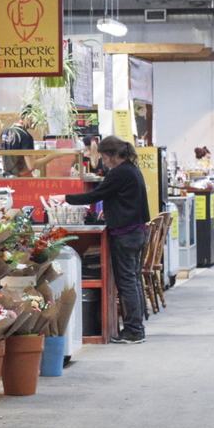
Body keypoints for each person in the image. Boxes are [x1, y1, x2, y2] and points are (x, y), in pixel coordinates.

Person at [63, 136, 150, 344]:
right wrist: (109, 212)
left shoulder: (119, 172)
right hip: (136, 231)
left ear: (114, 155)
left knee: (126, 281)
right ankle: (136, 327)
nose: (103, 162)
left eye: (104, 157)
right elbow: (124, 199)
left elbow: (96, 195)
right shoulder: (131, 169)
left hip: (125, 234)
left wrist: (65, 198)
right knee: (133, 279)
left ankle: (134, 330)